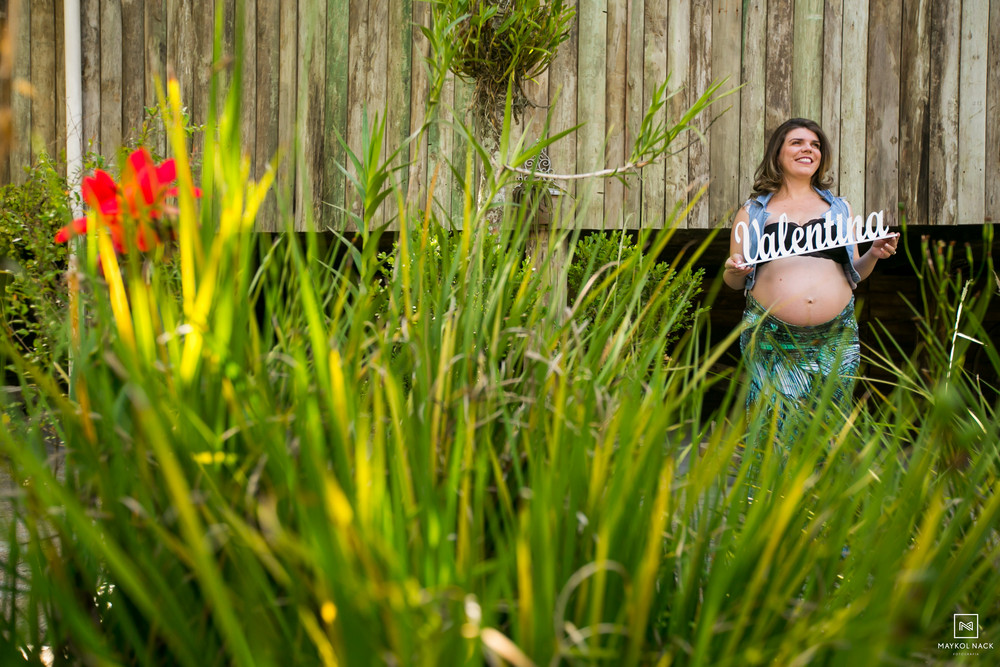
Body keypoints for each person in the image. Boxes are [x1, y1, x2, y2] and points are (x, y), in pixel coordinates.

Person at [723, 118, 898, 437]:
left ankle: (820, 489)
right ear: (778, 153)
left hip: (835, 336)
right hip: (771, 337)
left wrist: (873, 253)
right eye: (797, 142)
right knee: (772, 426)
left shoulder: (839, 209)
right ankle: (771, 490)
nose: (808, 149)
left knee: (827, 429)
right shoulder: (753, 211)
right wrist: (735, 270)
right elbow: (734, 281)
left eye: (815, 145)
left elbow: (854, 273)